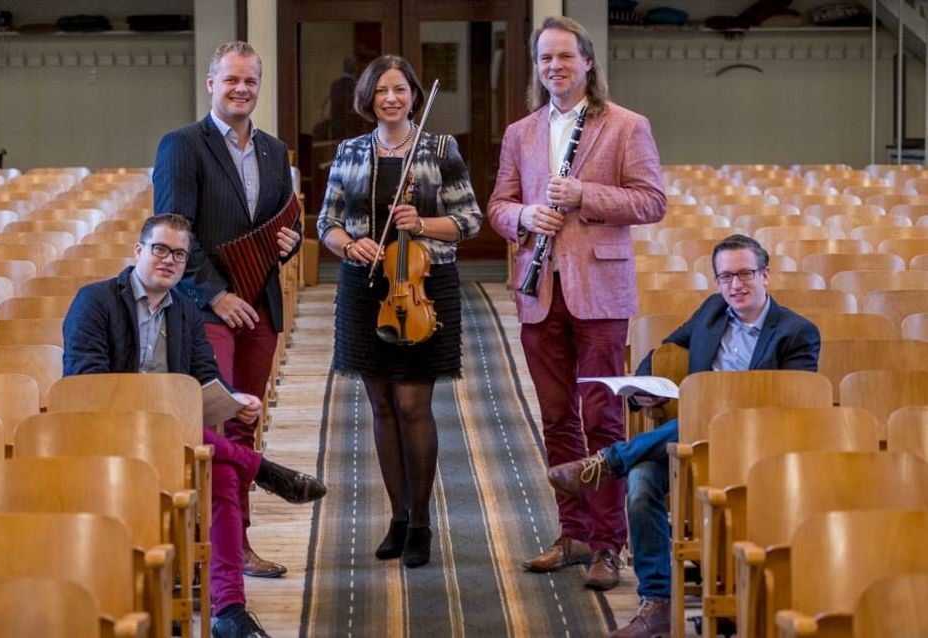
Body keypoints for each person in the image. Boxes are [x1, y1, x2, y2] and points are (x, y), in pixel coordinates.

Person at [63, 214, 326, 638]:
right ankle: (260, 468)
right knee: (196, 441)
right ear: (138, 251)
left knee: (221, 471)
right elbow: (86, 384)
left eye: (179, 254)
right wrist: (153, 405)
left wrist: (235, 401)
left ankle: (230, 611)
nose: (169, 260)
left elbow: (206, 377)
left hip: (173, 439)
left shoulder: (186, 311)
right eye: (160, 249)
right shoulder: (95, 301)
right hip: (108, 434)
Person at [547, 234, 821, 638]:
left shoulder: (797, 332)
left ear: (766, 275)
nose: (736, 285)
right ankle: (657, 602)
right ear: (716, 282)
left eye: (745, 273)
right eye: (725, 276)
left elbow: (791, 404)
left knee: (712, 411)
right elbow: (667, 349)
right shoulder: (712, 311)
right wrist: (642, 387)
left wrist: (722, 406)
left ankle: (609, 461)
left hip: (757, 446)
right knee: (641, 482)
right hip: (694, 445)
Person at [486, 15, 666, 589]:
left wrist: (585, 194)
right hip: (539, 291)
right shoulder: (521, 132)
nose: (554, 67)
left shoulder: (626, 126)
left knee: (603, 418)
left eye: (565, 56)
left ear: (588, 61)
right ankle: (575, 532)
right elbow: (497, 206)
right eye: (545, 59)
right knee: (558, 418)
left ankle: (610, 544)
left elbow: (651, 201)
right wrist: (523, 217)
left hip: (600, 293)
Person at [316, 54, 481, 568]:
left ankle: (423, 522)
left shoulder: (440, 148)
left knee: (413, 406)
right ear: (368, 99)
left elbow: (469, 219)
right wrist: (348, 245)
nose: (392, 98)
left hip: (423, 285)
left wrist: (422, 223)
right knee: (382, 407)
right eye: (382, 90)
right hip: (366, 288)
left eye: (401, 89)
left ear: (414, 95)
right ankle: (398, 517)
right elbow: (326, 221)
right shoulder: (349, 150)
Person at [152, 40, 301, 579]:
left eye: (250, 81)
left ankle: (238, 547)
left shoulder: (274, 150)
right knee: (214, 429)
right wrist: (216, 294)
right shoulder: (182, 145)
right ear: (211, 83)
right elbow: (172, 236)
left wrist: (291, 241)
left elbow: (288, 221)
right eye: (231, 79)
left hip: (260, 305)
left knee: (244, 425)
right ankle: (215, 552)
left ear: (259, 87)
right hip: (207, 310)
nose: (241, 89)